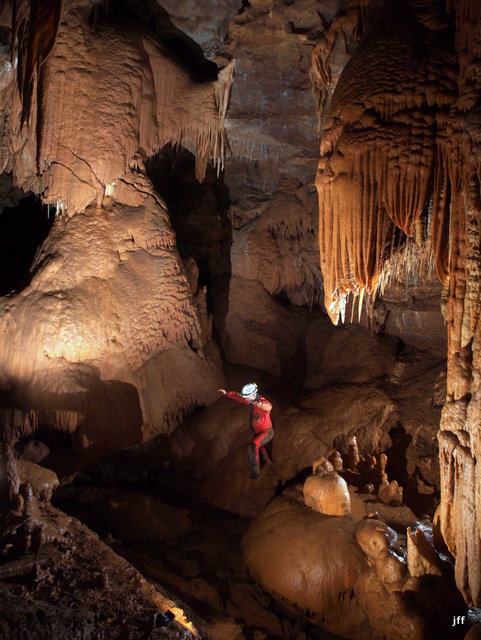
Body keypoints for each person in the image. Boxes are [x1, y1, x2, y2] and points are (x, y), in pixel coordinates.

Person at [218, 383, 274, 479]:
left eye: (247, 397)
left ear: (253, 395)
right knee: (260, 445)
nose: (246, 400)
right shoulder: (250, 399)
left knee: (253, 447)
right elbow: (238, 396)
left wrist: (258, 404)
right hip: (258, 431)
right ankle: (267, 461)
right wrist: (227, 393)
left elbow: (268, 407)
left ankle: (255, 473)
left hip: (267, 431)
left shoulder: (261, 403)